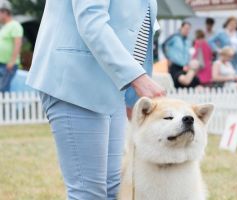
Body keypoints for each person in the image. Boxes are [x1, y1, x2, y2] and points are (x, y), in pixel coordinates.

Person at [26, 0, 165, 199]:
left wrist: (132, 96)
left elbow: (137, 28)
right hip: (75, 80)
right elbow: (91, 20)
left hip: (112, 84)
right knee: (88, 192)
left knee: (112, 189)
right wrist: (138, 78)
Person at [0, 1, 23, 92]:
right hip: (2, 63)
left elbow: (17, 44)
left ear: (5, 12)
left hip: (8, 65)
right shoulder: (4, 26)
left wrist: (12, 61)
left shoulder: (15, 25)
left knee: (2, 89)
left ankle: (4, 107)